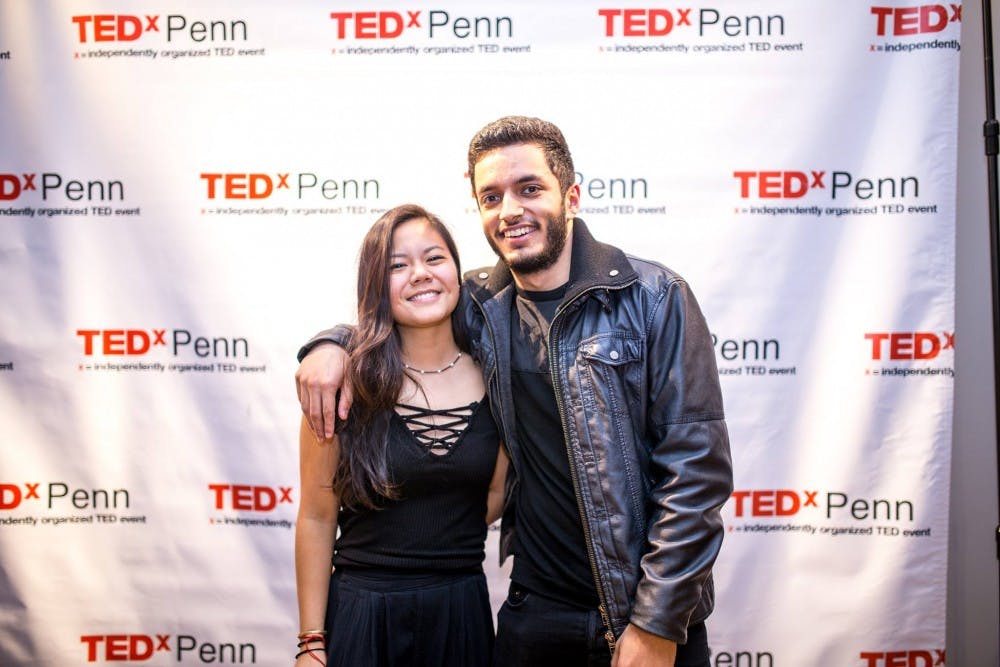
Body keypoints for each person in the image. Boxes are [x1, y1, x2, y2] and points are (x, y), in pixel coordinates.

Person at [295, 117, 733, 667]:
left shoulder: (654, 298)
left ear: (570, 194)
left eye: (530, 189)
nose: (510, 211)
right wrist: (329, 345)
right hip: (534, 616)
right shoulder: (481, 305)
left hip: (640, 616)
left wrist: (657, 621)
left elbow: (696, 476)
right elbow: (400, 315)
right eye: (491, 196)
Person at [294, 204, 508, 667]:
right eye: (397, 265)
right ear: (375, 285)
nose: (420, 275)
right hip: (363, 614)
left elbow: (494, 498)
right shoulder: (342, 383)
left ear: (457, 271)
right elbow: (315, 516)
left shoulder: (498, 380)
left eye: (434, 258)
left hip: (462, 614)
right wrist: (311, 642)